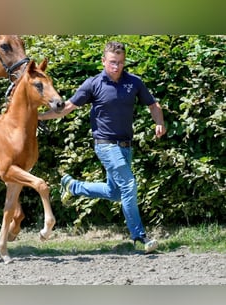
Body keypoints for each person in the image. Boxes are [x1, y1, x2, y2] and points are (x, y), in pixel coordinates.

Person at [38, 41, 166, 253]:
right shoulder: (93, 84)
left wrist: (159, 122)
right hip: (105, 145)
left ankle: (73, 186)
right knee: (129, 185)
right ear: (104, 61)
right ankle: (139, 236)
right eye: (113, 62)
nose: (117, 66)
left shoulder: (133, 82)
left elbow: (153, 105)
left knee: (115, 192)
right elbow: (68, 107)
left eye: (121, 63)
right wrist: (40, 116)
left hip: (126, 146)